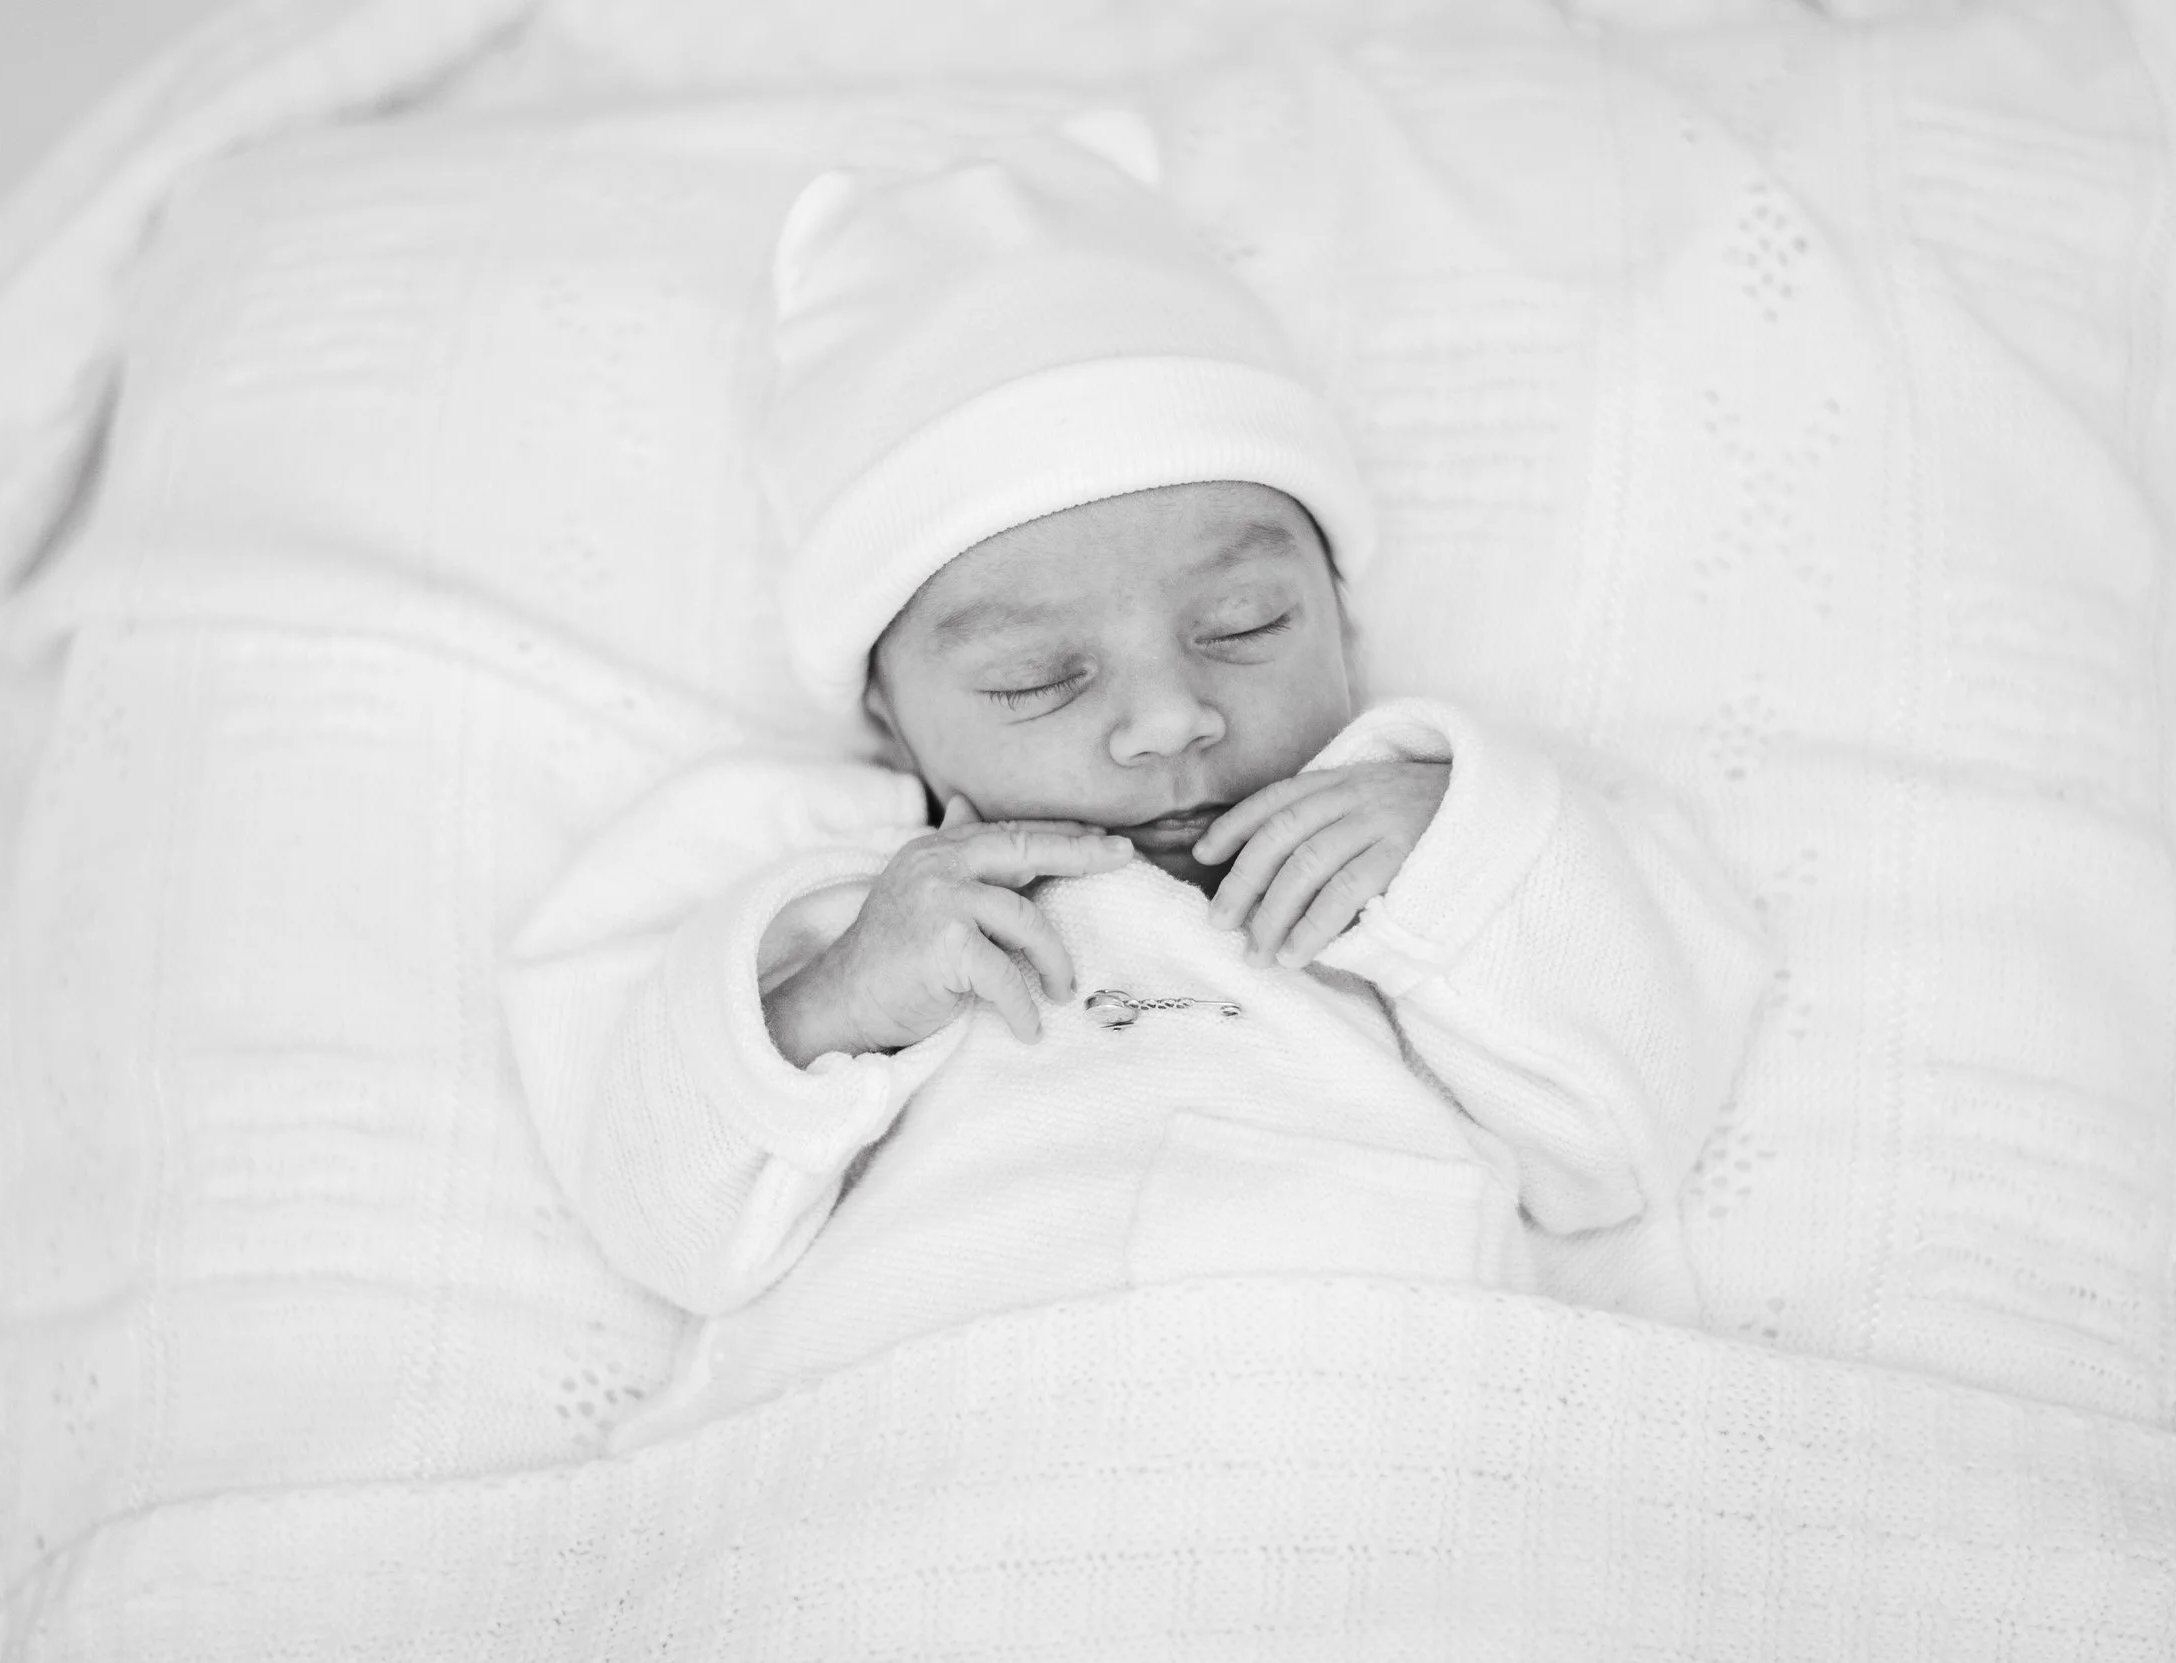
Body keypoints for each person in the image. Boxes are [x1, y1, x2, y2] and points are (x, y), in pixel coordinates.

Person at [502, 115, 1771, 1446]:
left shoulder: (1424, 831)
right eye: (1038, 679)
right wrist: (830, 1003)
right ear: (890, 719)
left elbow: (1625, 1142)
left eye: (1240, 626)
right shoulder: (821, 890)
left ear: (1342, 609)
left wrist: (1463, 864)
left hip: (1375, 1430)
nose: (1171, 717)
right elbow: (658, 1211)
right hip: (921, 1452)